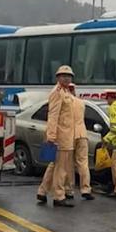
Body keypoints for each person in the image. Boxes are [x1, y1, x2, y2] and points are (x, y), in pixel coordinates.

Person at [37, 65, 76, 207]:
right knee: (61, 167)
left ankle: (42, 191)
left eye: (69, 76)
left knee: (54, 165)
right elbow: (53, 115)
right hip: (61, 135)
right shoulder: (57, 92)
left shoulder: (67, 92)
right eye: (64, 76)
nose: (67, 78)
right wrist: (52, 136)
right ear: (58, 78)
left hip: (66, 134)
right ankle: (58, 196)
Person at [65, 83, 94, 200]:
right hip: (82, 134)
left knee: (69, 164)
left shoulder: (65, 102)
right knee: (83, 163)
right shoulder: (81, 103)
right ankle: (86, 189)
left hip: (69, 135)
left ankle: (69, 190)